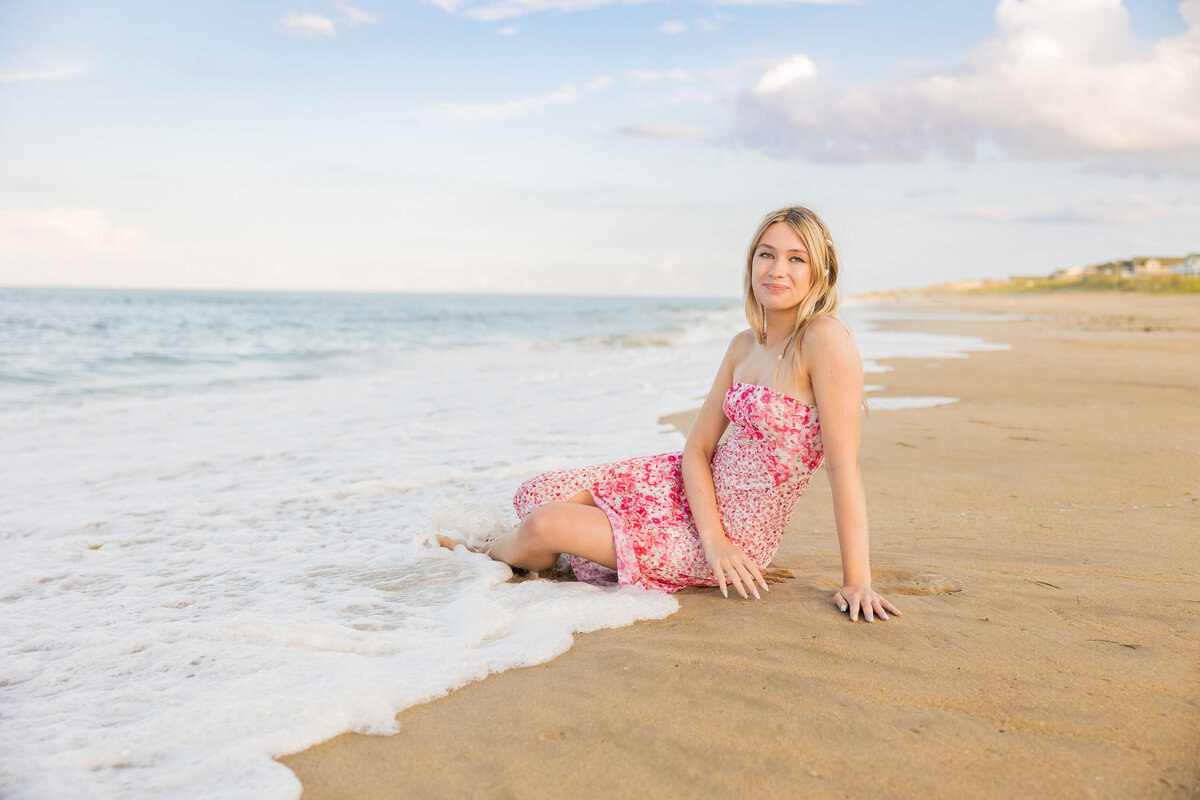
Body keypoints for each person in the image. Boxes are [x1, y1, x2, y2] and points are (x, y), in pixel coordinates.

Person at [438, 205, 902, 624]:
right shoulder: (744, 344)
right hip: (684, 493)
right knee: (537, 493)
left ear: (820, 272)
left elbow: (844, 468)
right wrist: (707, 523)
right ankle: (525, 551)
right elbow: (698, 449)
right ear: (751, 264)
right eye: (767, 254)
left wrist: (856, 579)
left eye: (796, 258)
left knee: (545, 524)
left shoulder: (824, 340)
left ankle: (484, 553)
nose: (778, 269)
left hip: (729, 541)